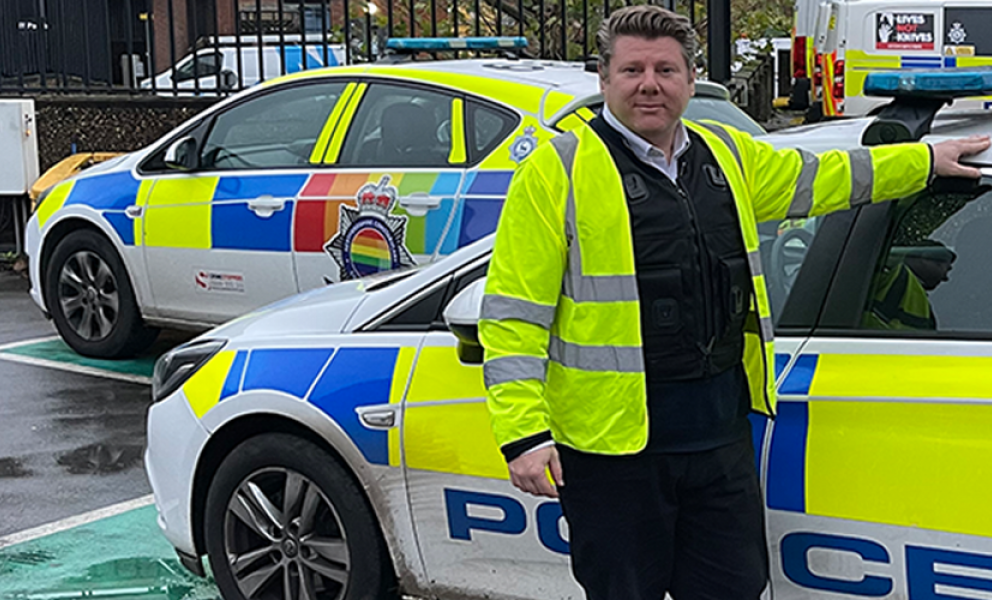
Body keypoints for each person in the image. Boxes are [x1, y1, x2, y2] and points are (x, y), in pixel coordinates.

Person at [478, 5, 989, 600]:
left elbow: (821, 177)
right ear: (604, 78)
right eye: (633, 69)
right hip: (614, 453)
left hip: (719, 438)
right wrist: (522, 434)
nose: (650, 84)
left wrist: (923, 161)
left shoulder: (725, 153)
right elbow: (514, 313)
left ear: (691, 80)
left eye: (666, 70)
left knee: (734, 589)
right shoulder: (556, 171)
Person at [865, 240, 956, 330]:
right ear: (926, 258)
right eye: (946, 269)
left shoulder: (919, 295)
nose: (945, 278)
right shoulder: (890, 272)